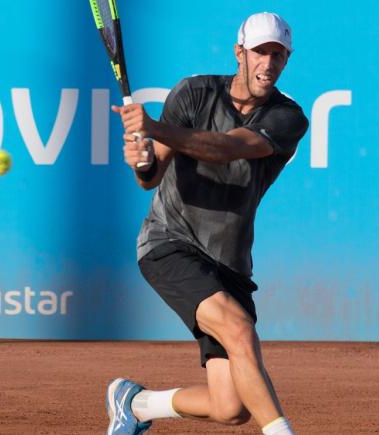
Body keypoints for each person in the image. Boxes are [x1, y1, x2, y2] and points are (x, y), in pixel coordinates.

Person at [107, 12, 308, 435]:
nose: (268, 64)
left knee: (230, 407)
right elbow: (150, 177)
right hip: (170, 243)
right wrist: (143, 158)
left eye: (278, 55)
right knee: (237, 329)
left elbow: (228, 148)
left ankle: (137, 403)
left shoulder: (288, 117)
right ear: (240, 53)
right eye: (260, 52)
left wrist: (155, 127)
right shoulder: (194, 93)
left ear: (286, 60)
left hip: (229, 264)